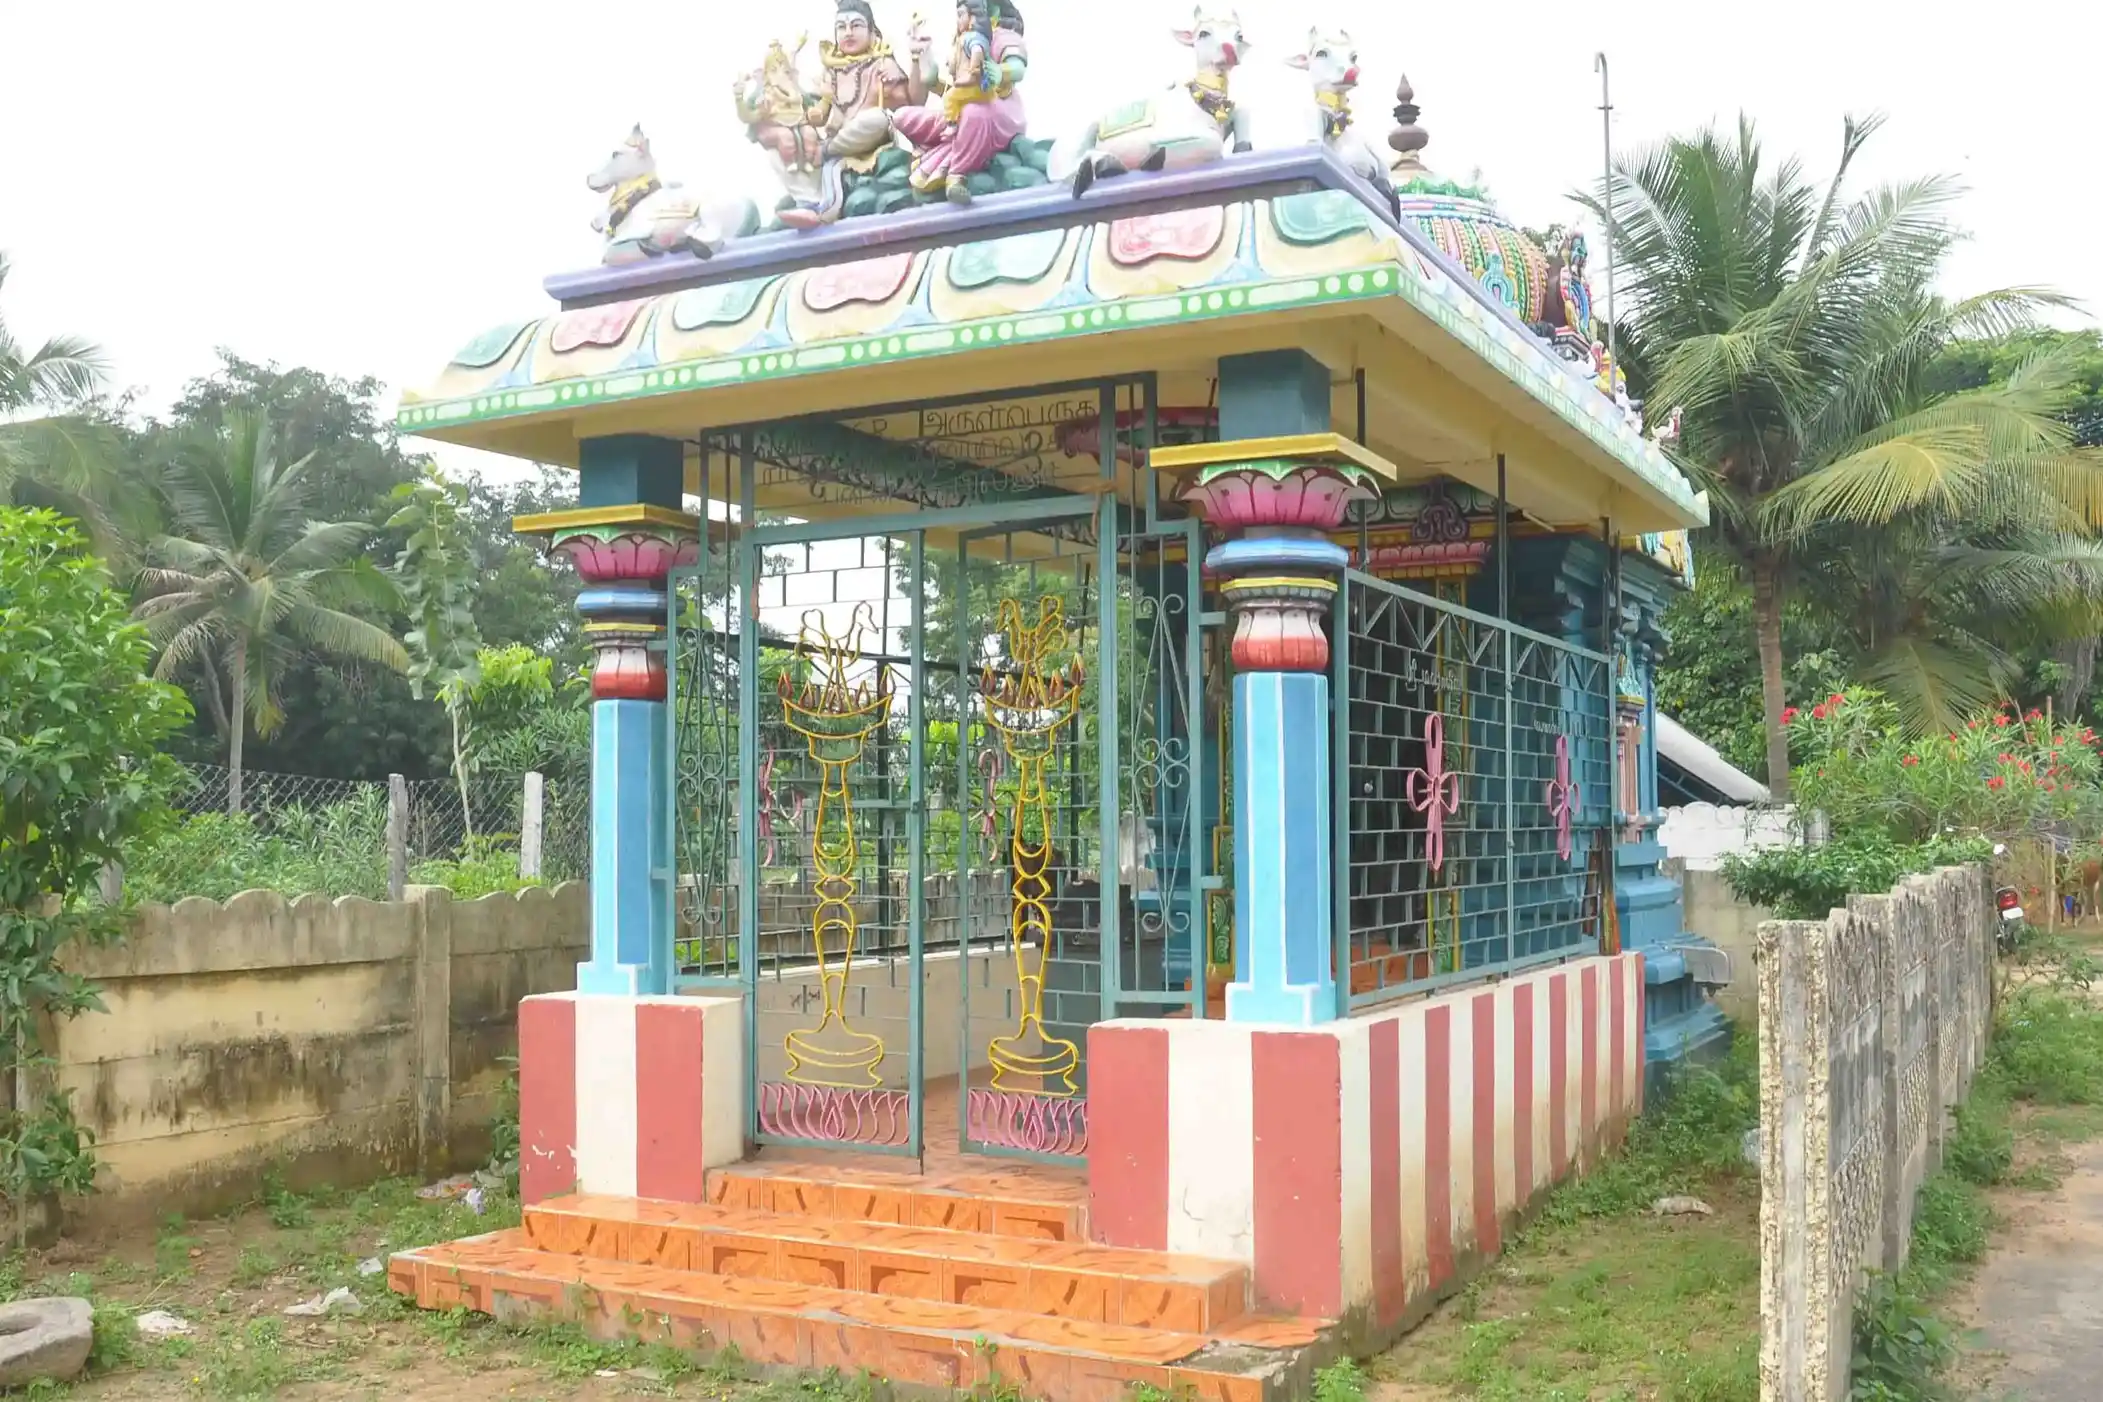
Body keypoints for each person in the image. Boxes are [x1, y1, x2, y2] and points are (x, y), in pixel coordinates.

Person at [894, 0, 1028, 204]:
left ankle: (956, 176)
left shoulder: (1002, 35)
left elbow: (1018, 69)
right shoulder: (962, 40)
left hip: (996, 112)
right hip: (961, 112)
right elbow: (956, 91)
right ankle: (953, 143)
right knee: (902, 116)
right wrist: (932, 79)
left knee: (973, 115)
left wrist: (1000, 72)